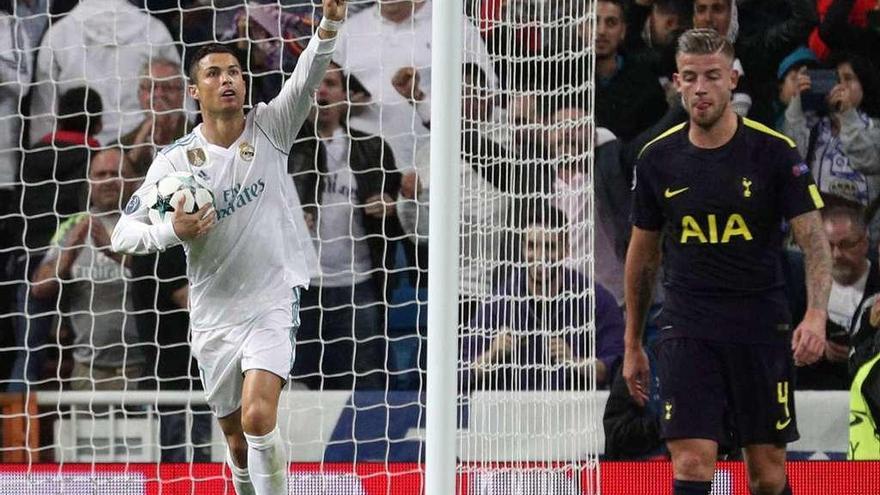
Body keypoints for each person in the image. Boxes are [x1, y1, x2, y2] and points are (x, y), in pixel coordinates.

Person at [110, 1, 346, 493]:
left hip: (271, 300)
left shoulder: (271, 128)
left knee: (261, 419)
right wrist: (174, 231)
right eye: (214, 73)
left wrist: (329, 24)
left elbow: (308, 74)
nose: (228, 80)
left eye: (235, 72)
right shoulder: (175, 163)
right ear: (194, 91)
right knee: (237, 444)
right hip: (213, 313)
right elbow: (121, 234)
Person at [624, 29, 831, 495]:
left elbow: (815, 242)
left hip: (760, 323)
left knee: (767, 473)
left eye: (712, 76)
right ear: (677, 82)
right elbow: (642, 256)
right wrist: (634, 341)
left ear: (732, 79)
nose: (701, 88)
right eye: (691, 77)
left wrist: (815, 313)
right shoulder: (657, 159)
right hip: (688, 325)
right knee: (693, 462)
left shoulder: (775, 152)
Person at [288, 62, 400, 390]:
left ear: (346, 95)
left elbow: (398, 208)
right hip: (303, 288)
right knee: (297, 387)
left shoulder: (373, 148)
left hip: (358, 284)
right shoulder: (283, 149)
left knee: (364, 385)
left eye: (331, 84)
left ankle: (368, 444)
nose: (322, 91)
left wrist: (389, 206)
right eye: (315, 85)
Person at [461, 206, 624, 391]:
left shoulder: (596, 301)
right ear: (522, 249)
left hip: (574, 413)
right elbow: (460, 374)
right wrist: (492, 355)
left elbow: (620, 369)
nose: (540, 257)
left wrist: (577, 363)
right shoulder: (499, 303)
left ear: (566, 250)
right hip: (513, 414)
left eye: (550, 247)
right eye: (532, 246)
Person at [9, 87, 103, 392]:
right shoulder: (96, 159)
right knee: (82, 339)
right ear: (99, 122)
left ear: (59, 117)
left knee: (29, 350)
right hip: (76, 261)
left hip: (29, 260)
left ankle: (17, 432)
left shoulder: (34, 153)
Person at [31, 148, 145, 391]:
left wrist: (114, 251)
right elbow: (39, 288)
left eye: (116, 173)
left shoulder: (150, 224)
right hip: (89, 372)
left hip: (144, 369)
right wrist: (68, 254)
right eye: (100, 174)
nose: (108, 181)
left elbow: (170, 280)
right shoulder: (72, 226)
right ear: (89, 182)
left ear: (135, 181)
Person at [334, 0, 496, 171]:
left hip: (437, 171)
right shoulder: (349, 31)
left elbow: (487, 100)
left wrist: (420, 98)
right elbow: (321, 100)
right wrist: (344, 105)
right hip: (366, 173)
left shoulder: (452, 24)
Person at [28, 0, 180, 147]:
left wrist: (43, 162)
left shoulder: (58, 34)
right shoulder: (153, 30)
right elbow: (183, 99)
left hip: (80, 150)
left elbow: (44, 115)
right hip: (143, 145)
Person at [783, 52, 880, 242]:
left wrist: (847, 115)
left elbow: (867, 160)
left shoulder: (875, 129)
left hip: (862, 238)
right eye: (835, 79)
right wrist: (797, 100)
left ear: (864, 85)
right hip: (815, 236)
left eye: (848, 79)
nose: (840, 86)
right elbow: (790, 158)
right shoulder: (814, 128)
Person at [799, 200, 880, 389]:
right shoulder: (802, 285)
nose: (836, 254)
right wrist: (817, 348)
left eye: (846, 245)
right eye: (829, 245)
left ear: (865, 243)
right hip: (815, 391)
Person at [121, 58, 191, 176]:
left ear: (183, 94)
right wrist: (134, 155)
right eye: (151, 87)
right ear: (140, 94)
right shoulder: (123, 145)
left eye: (168, 87)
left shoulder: (201, 137)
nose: (159, 94)